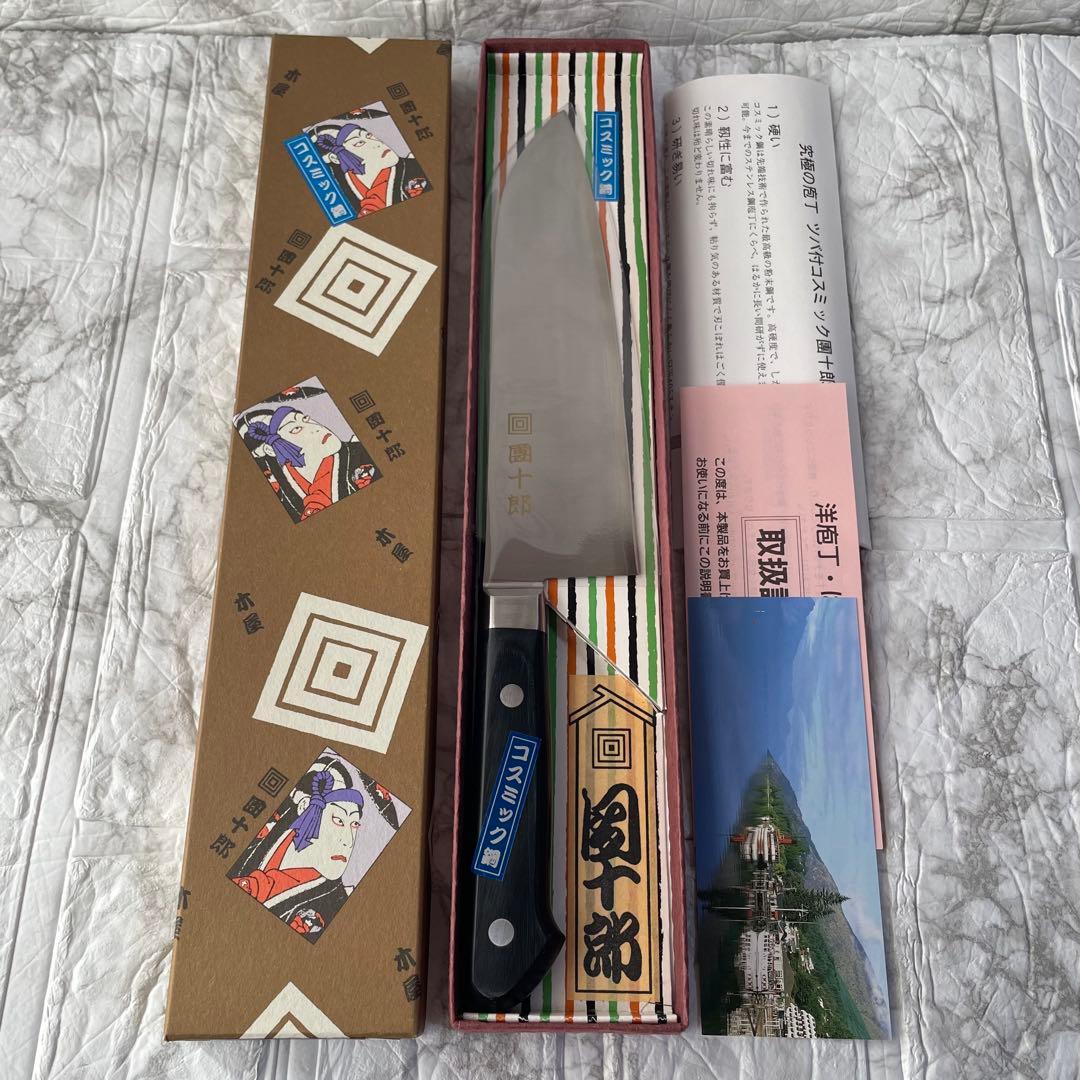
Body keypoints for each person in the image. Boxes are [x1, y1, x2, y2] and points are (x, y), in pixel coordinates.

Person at [229, 766, 366, 939]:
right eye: (338, 820)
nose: (348, 841)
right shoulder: (268, 826)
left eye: (355, 824)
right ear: (304, 805)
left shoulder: (335, 901)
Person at [237, 393, 378, 523]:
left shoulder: (359, 453)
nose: (315, 427)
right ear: (270, 450)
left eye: (305, 419)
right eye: (296, 429)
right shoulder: (279, 492)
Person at [314, 117, 429, 215]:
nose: (377, 144)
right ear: (334, 159)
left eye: (369, 136)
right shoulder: (338, 194)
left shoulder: (414, 167)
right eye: (359, 143)